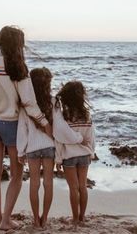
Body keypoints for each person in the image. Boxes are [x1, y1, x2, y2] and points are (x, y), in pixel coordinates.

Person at [0, 26, 52, 230]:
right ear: (17, 45)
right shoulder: (17, 68)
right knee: (16, 175)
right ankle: (5, 221)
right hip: (11, 125)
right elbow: (29, 102)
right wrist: (44, 123)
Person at [17, 67, 55, 229]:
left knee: (34, 184)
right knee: (48, 183)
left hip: (32, 148)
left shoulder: (26, 105)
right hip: (49, 147)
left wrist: (20, 150)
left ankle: (35, 219)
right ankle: (45, 218)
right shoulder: (53, 102)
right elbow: (58, 127)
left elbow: (22, 130)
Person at [53, 81, 95, 227]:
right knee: (83, 186)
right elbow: (91, 137)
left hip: (69, 156)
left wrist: (58, 159)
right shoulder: (87, 114)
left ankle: (75, 218)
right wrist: (91, 152)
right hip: (84, 155)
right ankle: (82, 217)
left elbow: (59, 139)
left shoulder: (64, 115)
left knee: (73, 188)